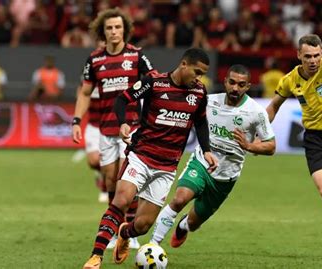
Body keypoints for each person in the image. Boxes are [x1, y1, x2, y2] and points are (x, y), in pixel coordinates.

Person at [82, 48, 217, 269]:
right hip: (141, 156)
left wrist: (207, 149)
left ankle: (125, 233)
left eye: (202, 73)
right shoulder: (154, 82)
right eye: (197, 71)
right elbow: (122, 100)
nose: (199, 77)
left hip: (166, 167)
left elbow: (201, 122)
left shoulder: (200, 93)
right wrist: (123, 122)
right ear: (184, 64)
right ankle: (96, 257)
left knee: (143, 226)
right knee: (122, 200)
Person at [150, 64, 276, 248]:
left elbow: (271, 146)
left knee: (194, 223)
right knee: (179, 199)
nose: (235, 88)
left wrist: (248, 145)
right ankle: (153, 246)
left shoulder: (256, 112)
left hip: (226, 177)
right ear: (225, 82)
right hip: (202, 162)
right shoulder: (208, 101)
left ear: (248, 86)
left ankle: (183, 225)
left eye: (241, 84)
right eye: (232, 82)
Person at [266, 3, 322, 238]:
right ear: (299, 56)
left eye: (317, 55)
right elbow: (273, 106)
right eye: (308, 56)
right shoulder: (289, 80)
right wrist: (262, 129)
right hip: (316, 140)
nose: (314, 61)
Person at [72, 8, 156, 251]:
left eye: (118, 27)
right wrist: (77, 121)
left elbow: (153, 81)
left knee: (125, 181)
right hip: (106, 129)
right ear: (103, 31)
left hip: (131, 128)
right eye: (109, 28)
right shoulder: (95, 60)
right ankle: (113, 228)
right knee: (110, 179)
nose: (114, 31)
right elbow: (85, 92)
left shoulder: (137, 56)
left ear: (125, 30)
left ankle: (128, 231)